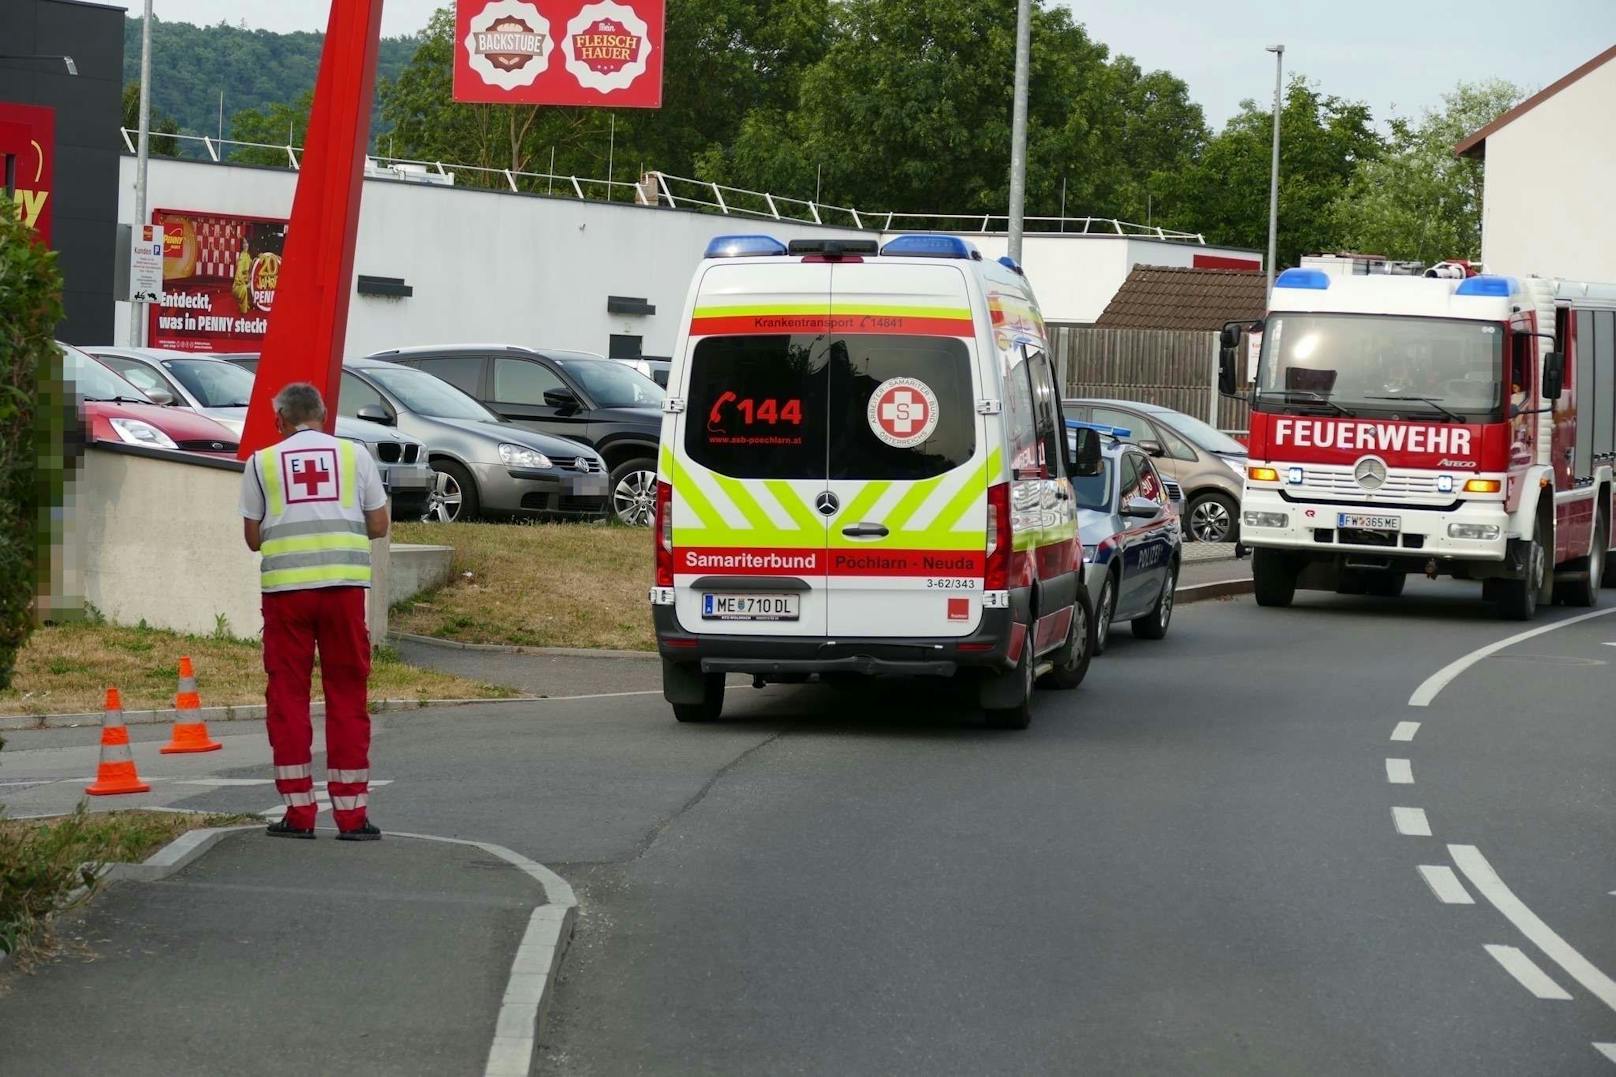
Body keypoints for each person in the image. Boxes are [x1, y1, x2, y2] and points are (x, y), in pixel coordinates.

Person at [240, 382, 390, 840]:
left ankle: (299, 814)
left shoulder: (261, 463)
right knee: (347, 694)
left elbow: (252, 538)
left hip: (287, 594)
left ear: (280, 421)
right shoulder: (355, 456)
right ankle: (352, 816)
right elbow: (379, 524)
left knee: (288, 697)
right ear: (323, 417)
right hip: (343, 591)